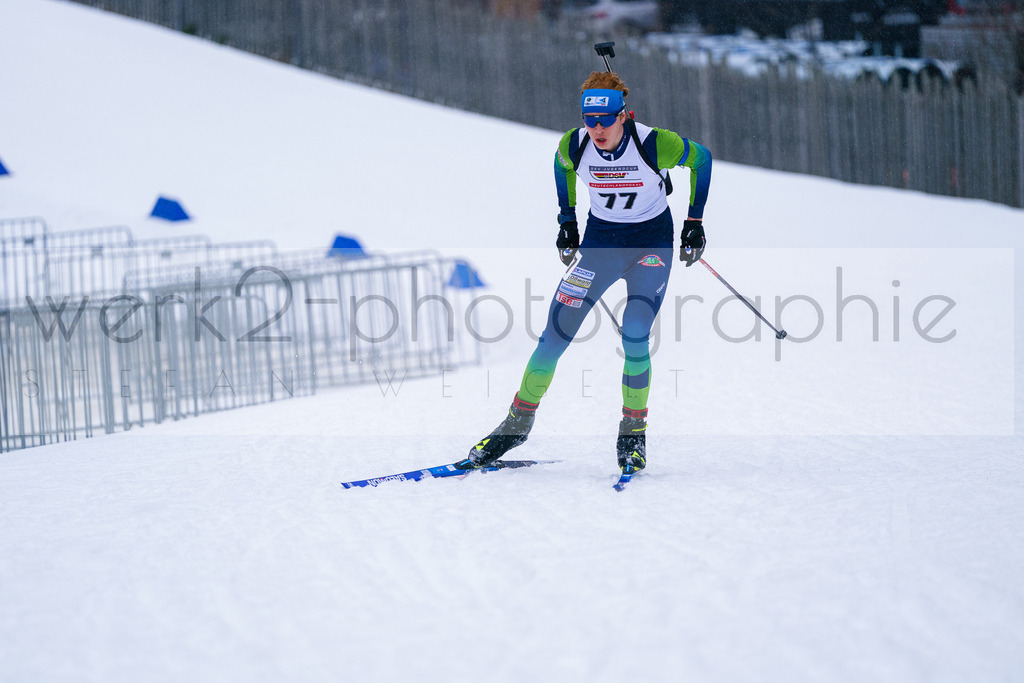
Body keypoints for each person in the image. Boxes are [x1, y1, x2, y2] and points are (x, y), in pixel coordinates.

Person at [456, 70, 712, 475]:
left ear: (623, 115)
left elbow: (702, 159)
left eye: (605, 120)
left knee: (634, 334)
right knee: (554, 332)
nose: (596, 129)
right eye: (588, 120)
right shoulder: (574, 145)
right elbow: (561, 168)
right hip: (600, 246)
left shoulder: (655, 143)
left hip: (650, 246)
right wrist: (567, 219)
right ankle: (515, 426)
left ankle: (632, 434)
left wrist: (694, 221)